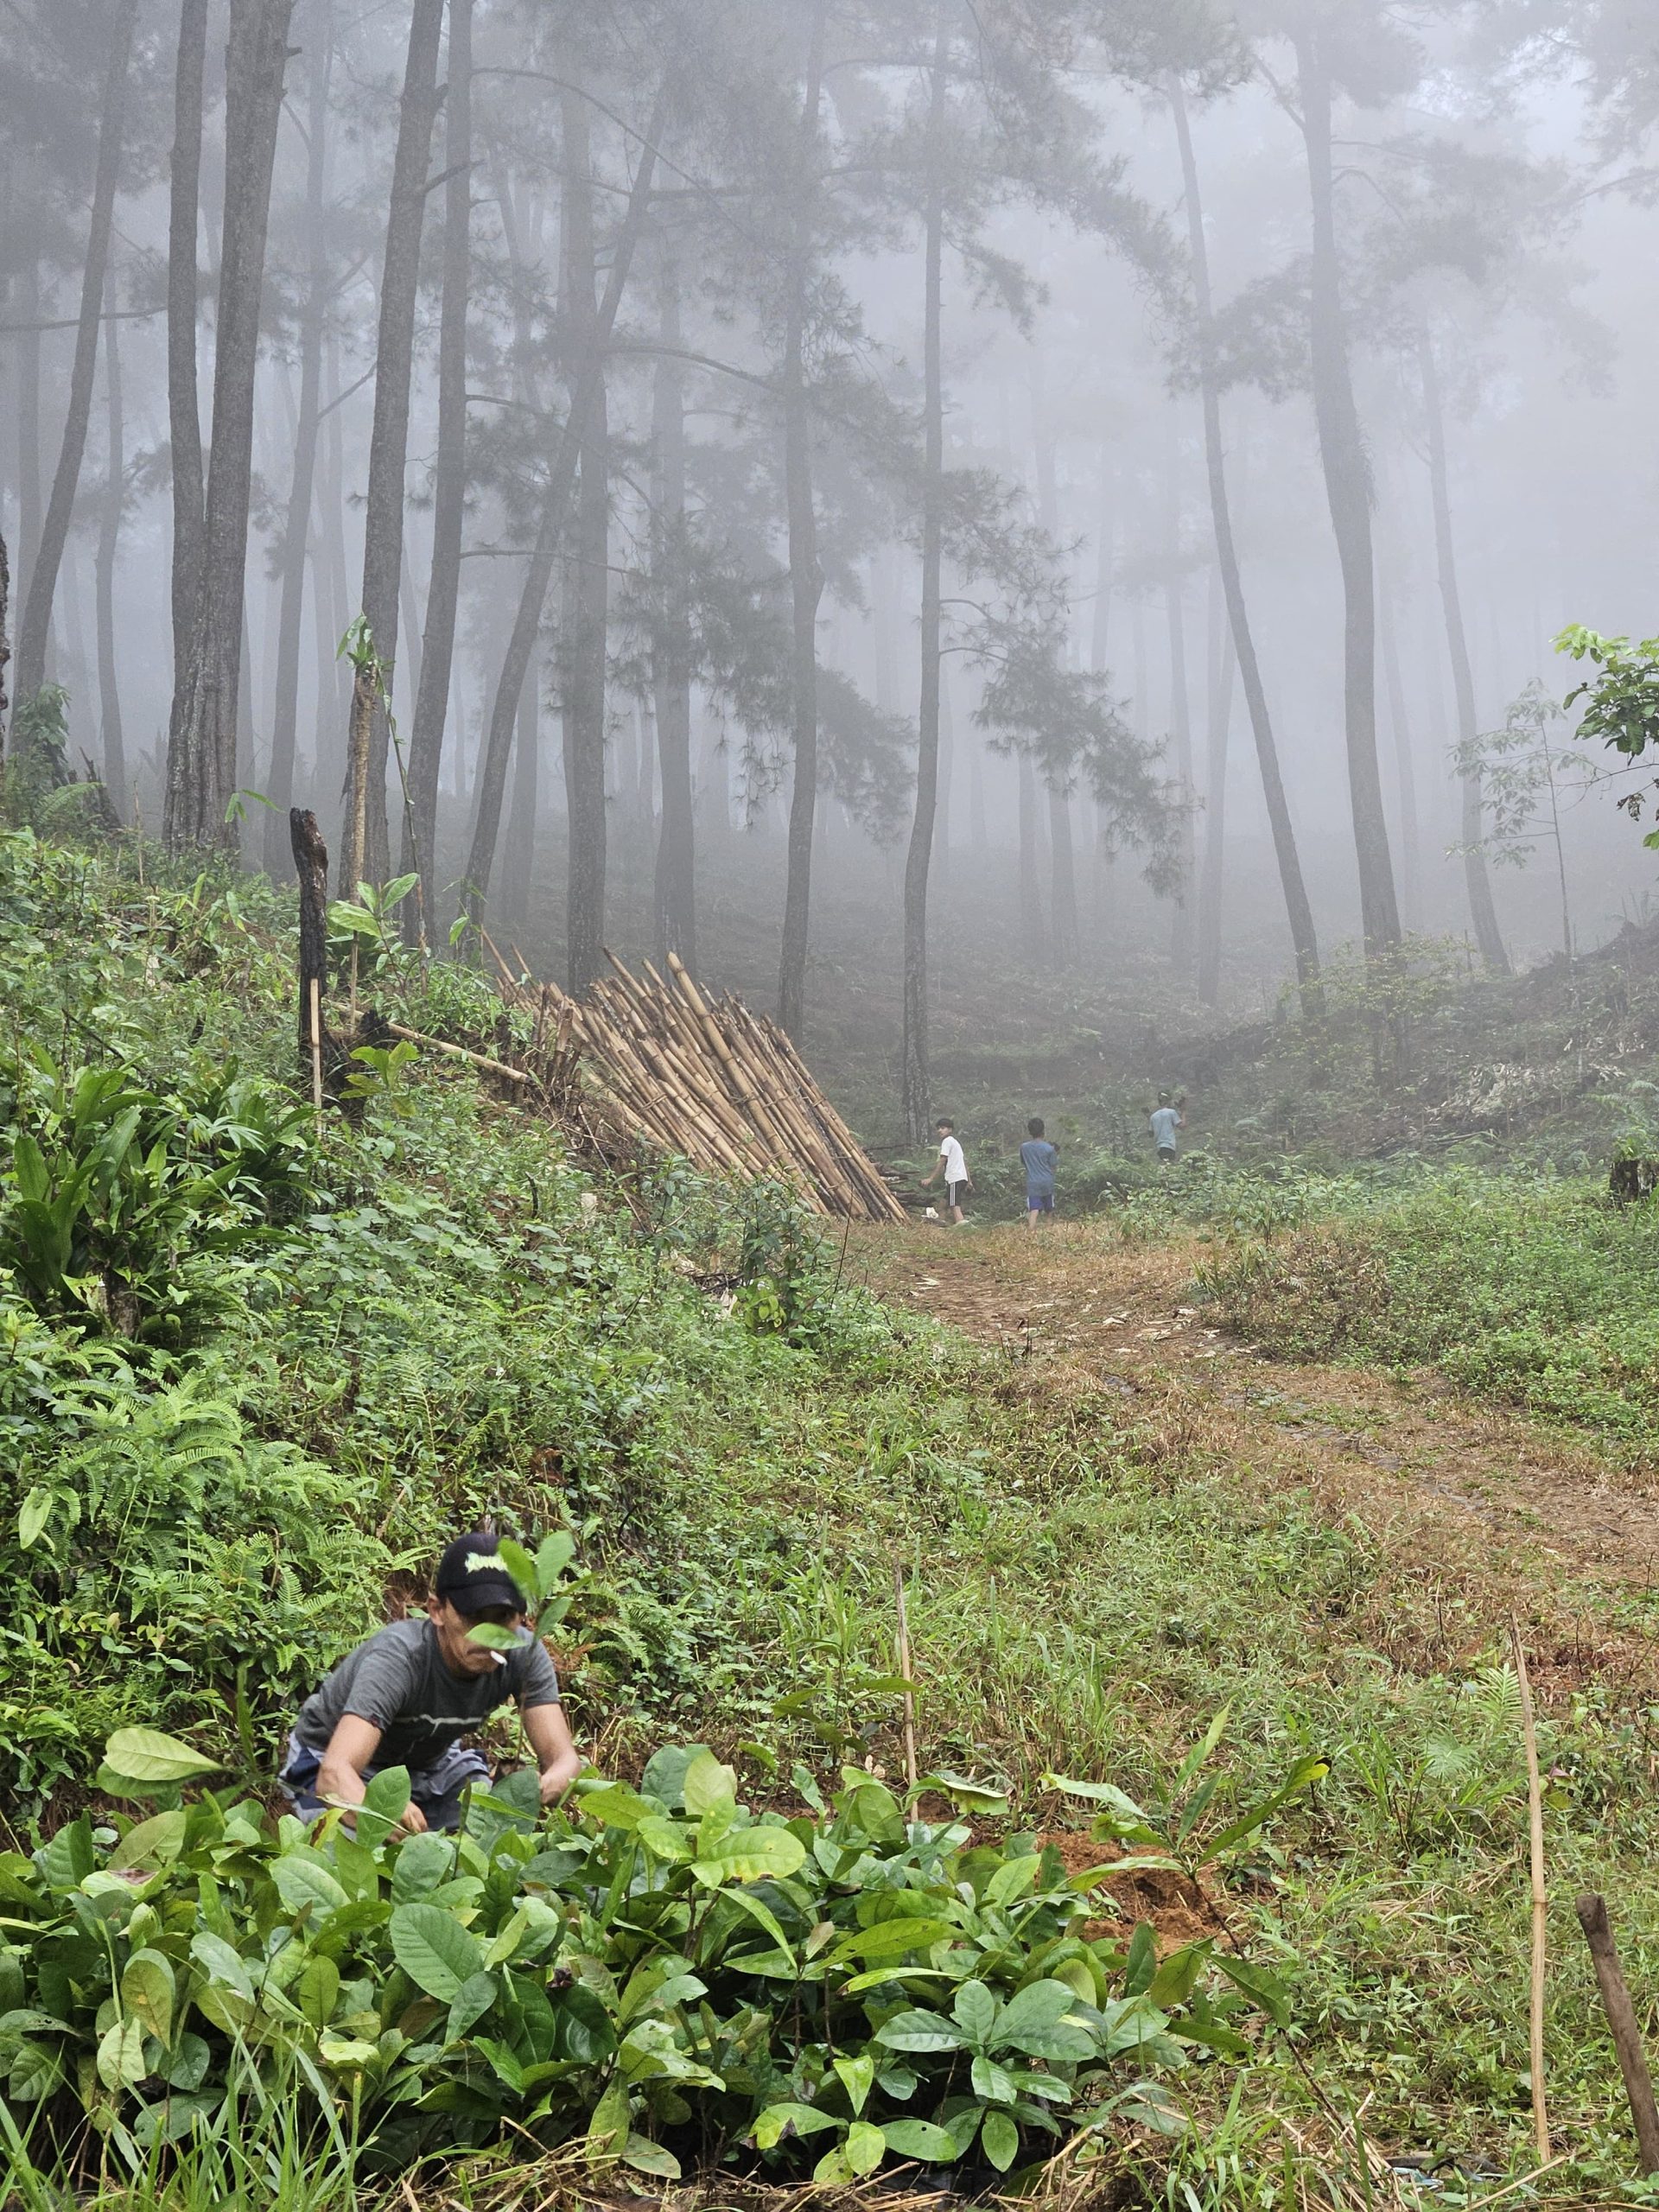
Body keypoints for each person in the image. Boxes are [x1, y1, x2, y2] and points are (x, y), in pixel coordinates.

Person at [279, 1532, 582, 1834]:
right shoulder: (400, 1658)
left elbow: (564, 1759)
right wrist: (380, 1812)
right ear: (437, 1610)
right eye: (473, 1617)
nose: (487, 1634)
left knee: (488, 1830)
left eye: (502, 1618)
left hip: (431, 1765)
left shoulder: (524, 1653)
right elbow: (334, 1774)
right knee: (358, 1848)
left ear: (520, 1618)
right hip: (329, 1759)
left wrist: (551, 1782)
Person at [920, 1116, 971, 1224]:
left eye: (943, 1128)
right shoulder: (955, 1143)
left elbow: (942, 1160)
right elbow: (964, 1163)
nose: (940, 1131)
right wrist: (969, 1181)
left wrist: (931, 1178)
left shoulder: (947, 1141)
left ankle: (963, 1228)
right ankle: (941, 1225)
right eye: (938, 1128)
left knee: (954, 1206)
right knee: (943, 1205)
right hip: (960, 1178)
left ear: (950, 1130)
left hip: (955, 1178)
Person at [1020, 1117, 1058, 1228]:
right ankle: (1049, 1231)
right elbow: (1053, 1166)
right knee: (1049, 1210)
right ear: (1043, 1131)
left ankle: (1030, 1232)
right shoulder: (1049, 1149)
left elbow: (1024, 1162)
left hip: (1032, 1182)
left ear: (1030, 1132)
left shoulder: (1024, 1148)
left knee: (1034, 1209)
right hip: (1047, 1181)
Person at [1149, 1090, 1184, 1166]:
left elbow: (1150, 1134)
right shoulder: (1171, 1112)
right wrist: (1184, 1111)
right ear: (1168, 1101)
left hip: (1159, 1147)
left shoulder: (1153, 1116)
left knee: (1164, 1166)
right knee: (1169, 1167)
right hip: (1169, 1145)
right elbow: (1182, 1126)